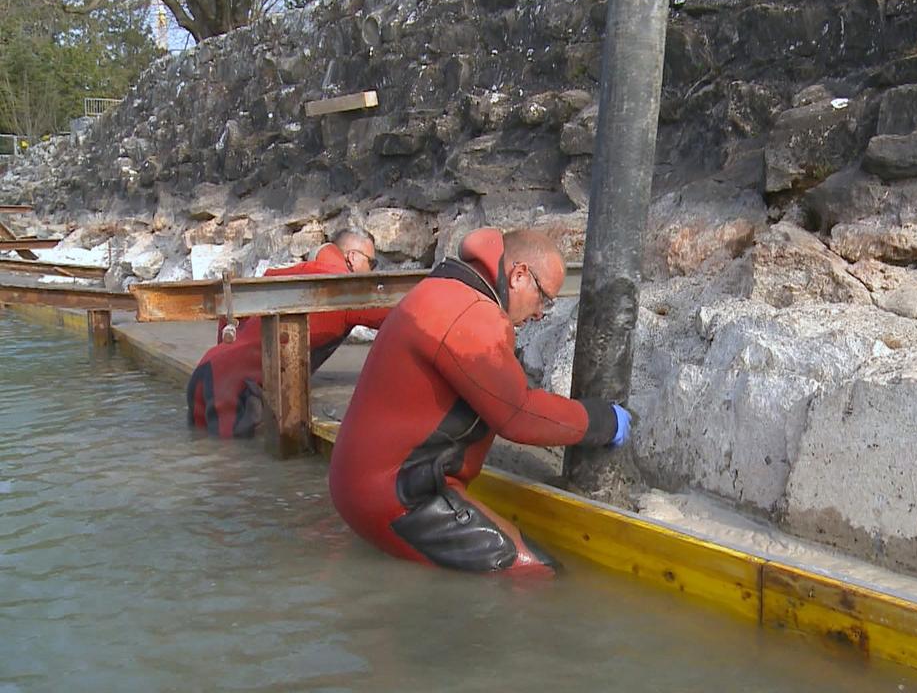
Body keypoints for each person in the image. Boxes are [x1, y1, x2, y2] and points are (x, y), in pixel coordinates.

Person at [328, 228, 632, 576]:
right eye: (544, 299)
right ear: (518, 275)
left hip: (364, 488)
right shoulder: (470, 313)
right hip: (399, 499)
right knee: (539, 574)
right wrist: (603, 422)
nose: (540, 314)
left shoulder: (444, 291)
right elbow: (518, 415)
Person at [186, 228, 392, 438]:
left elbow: (233, 309)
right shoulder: (342, 289)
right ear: (353, 258)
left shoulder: (287, 274)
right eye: (372, 263)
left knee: (204, 452)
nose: (373, 271)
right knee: (235, 462)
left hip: (206, 370)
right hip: (235, 386)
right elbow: (402, 316)